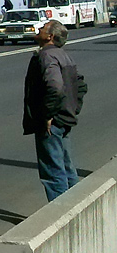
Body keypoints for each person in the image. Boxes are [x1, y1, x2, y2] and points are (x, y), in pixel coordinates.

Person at [23, 19, 86, 201]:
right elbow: (80, 85)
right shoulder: (63, 55)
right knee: (67, 167)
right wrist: (72, 108)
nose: (39, 28)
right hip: (64, 118)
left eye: (43, 28)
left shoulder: (47, 56)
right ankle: (76, 207)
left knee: (53, 171)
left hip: (52, 122)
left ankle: (61, 215)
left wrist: (48, 114)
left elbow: (55, 87)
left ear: (50, 36)